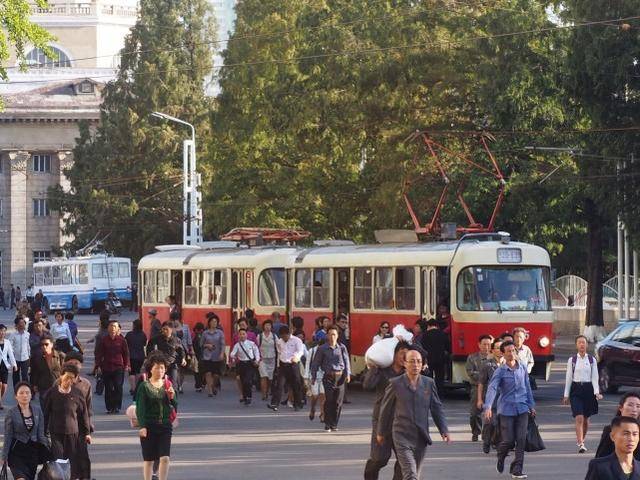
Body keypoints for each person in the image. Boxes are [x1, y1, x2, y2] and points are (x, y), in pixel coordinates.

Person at [376, 348, 451, 480]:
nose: (415, 365)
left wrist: (443, 429)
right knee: (410, 473)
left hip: (421, 437)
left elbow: (436, 408)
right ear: (405, 363)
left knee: (414, 472)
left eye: (418, 362)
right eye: (412, 361)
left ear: (422, 364)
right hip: (401, 435)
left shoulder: (429, 383)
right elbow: (385, 409)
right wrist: (380, 432)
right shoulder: (395, 383)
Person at [483, 340, 536, 480]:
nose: (512, 353)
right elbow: (492, 388)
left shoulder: (523, 367)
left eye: (513, 351)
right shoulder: (500, 371)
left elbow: (527, 387)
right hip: (506, 409)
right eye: (508, 351)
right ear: (503, 354)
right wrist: (488, 406)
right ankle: (500, 457)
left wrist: (531, 405)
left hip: (523, 408)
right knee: (508, 440)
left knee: (521, 439)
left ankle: (517, 470)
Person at [363, 341, 409, 480]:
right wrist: (374, 369)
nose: (405, 357)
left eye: (407, 354)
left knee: (404, 460)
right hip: (382, 420)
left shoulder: (408, 372)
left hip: (402, 422)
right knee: (379, 459)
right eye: (402, 353)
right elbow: (367, 385)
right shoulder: (382, 371)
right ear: (393, 354)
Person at [42, 363, 91, 480]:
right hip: (56, 433)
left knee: (72, 461)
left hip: (73, 432)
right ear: (61, 376)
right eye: (67, 377)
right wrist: (43, 433)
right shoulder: (52, 393)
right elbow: (46, 414)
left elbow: (84, 414)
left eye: (72, 378)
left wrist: (87, 432)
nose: (69, 381)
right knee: (59, 460)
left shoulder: (77, 394)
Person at [136, 353, 177, 480]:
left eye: (162, 368)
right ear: (151, 369)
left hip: (165, 425)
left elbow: (175, 405)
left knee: (165, 457)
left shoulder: (168, 384)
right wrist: (142, 426)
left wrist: (172, 397)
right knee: (149, 460)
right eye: (157, 367)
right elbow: (140, 408)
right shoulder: (144, 386)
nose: (160, 370)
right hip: (149, 425)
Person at [562, 334, 602, 453]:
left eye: (583, 342)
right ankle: (580, 442)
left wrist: (596, 392)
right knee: (579, 417)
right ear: (576, 345)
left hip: (589, 390)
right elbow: (568, 377)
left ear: (587, 345)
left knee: (586, 419)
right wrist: (566, 395)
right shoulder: (572, 360)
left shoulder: (592, 360)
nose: (581, 344)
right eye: (579, 342)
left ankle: (582, 439)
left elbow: (595, 377)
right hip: (576, 390)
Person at [2, 382, 50, 480]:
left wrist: (48, 451)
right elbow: (8, 436)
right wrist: (4, 456)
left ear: (31, 395)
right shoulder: (11, 413)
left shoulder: (37, 411)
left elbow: (40, 435)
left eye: (27, 393)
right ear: (16, 396)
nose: (25, 395)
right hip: (16, 453)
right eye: (21, 393)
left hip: (32, 453)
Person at [59, 351, 93, 479]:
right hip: (64, 427)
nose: (74, 365)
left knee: (83, 457)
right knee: (67, 457)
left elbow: (88, 408)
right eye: (71, 362)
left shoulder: (85, 384)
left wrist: (88, 430)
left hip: (81, 427)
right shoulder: (58, 383)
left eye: (77, 363)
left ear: (81, 366)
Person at [310, 325, 350, 431]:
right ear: (327, 335)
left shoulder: (342, 347)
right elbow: (315, 363)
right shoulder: (322, 349)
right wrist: (313, 377)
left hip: (340, 377)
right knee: (329, 400)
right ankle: (327, 423)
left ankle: (334, 424)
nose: (332, 337)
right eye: (330, 334)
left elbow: (346, 362)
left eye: (334, 334)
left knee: (338, 402)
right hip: (328, 377)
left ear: (337, 336)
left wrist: (348, 374)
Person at [95, 320, 130, 413]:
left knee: (118, 387)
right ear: (108, 328)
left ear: (118, 328)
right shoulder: (104, 340)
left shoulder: (122, 340)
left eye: (115, 326)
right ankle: (110, 407)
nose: (113, 328)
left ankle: (117, 406)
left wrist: (127, 365)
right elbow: (99, 354)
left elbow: (126, 354)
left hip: (118, 367)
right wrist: (98, 366)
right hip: (106, 367)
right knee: (109, 388)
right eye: (111, 326)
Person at [268, 325, 305, 412]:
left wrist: (296, 357)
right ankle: (275, 404)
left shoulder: (297, 340)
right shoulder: (279, 342)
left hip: (293, 364)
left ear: (289, 334)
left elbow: (300, 351)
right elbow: (279, 353)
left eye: (285, 336)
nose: (284, 338)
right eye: (282, 336)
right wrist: (278, 366)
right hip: (283, 364)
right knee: (279, 384)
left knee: (296, 384)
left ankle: (298, 404)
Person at [477, 338, 504, 454]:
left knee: (501, 423)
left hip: (504, 399)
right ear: (492, 351)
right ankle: (487, 441)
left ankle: (498, 444)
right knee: (490, 422)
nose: (500, 350)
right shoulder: (487, 365)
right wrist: (479, 399)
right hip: (491, 398)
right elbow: (481, 383)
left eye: (501, 348)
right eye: (497, 348)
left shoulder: (508, 364)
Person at [596, 392, 640, 460]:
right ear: (621, 407)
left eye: (638, 406)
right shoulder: (610, 429)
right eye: (630, 405)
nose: (634, 410)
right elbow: (600, 457)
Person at [466, 334, 492, 441]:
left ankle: (488, 434)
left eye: (489, 344)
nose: (486, 347)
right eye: (484, 344)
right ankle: (476, 431)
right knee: (474, 413)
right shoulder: (472, 358)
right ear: (479, 345)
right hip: (476, 388)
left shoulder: (493, 358)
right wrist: (484, 376)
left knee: (491, 413)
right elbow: (470, 372)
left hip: (491, 388)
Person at [146, 321, 185, 391]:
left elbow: (181, 350)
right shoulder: (157, 339)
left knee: (173, 385)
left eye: (166, 329)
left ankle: (173, 400)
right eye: (163, 329)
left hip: (173, 364)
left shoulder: (176, 340)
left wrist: (183, 359)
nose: (164, 331)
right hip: (161, 364)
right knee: (160, 385)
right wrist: (150, 357)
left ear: (171, 329)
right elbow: (149, 347)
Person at [230, 328, 261, 405]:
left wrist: (257, 360)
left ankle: (249, 397)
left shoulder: (251, 343)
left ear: (246, 335)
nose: (242, 336)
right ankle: (244, 396)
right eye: (240, 334)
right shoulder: (237, 345)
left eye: (243, 334)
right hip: (241, 364)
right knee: (243, 381)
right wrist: (233, 357)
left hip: (250, 364)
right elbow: (232, 353)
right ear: (238, 336)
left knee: (248, 381)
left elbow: (256, 352)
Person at [420, 319, 449, 393]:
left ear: (429, 326)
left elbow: (423, 347)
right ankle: (439, 393)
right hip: (440, 359)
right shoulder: (443, 334)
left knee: (428, 377)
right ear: (437, 326)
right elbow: (447, 346)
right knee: (439, 378)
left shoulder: (425, 334)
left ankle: (429, 392)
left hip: (429, 359)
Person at [200, 314, 225, 397]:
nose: (214, 323)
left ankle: (213, 386)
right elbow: (201, 344)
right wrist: (207, 345)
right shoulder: (205, 333)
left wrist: (222, 353)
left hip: (217, 356)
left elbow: (223, 344)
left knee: (216, 375)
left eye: (216, 321)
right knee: (208, 373)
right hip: (207, 356)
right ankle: (210, 391)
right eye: (212, 321)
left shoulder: (220, 333)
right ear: (209, 323)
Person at [304, 339, 326, 422]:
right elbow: (308, 363)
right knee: (315, 395)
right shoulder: (312, 351)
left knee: (323, 395)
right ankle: (313, 408)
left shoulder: (327, 350)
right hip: (314, 376)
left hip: (324, 376)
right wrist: (306, 377)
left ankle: (323, 413)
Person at [257, 319, 278, 401]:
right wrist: (258, 357)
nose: (267, 327)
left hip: (272, 359)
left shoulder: (274, 336)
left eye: (269, 325)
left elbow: (278, 347)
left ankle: (267, 390)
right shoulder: (260, 336)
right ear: (263, 327)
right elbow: (256, 347)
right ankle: (264, 394)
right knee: (263, 376)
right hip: (262, 359)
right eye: (266, 325)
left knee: (270, 378)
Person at [126, 319, 148, 395]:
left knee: (131, 372)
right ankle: (137, 387)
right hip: (140, 356)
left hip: (131, 355)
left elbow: (126, 345)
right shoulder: (143, 334)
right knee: (138, 371)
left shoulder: (129, 334)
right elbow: (145, 344)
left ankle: (133, 388)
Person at [9, 316, 30, 389]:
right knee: (15, 375)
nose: (22, 324)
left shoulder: (27, 334)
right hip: (16, 359)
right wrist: (13, 353)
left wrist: (29, 355)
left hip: (25, 358)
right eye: (20, 323)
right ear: (17, 325)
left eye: (23, 323)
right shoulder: (13, 335)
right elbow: (10, 346)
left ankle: (27, 390)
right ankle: (17, 390)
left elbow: (28, 346)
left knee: (25, 375)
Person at [0, 324, 17, 409]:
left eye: (3, 331)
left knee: (4, 386)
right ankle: (0, 403)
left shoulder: (7, 342)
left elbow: (11, 354)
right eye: (0, 331)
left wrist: (14, 364)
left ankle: (0, 399)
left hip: (5, 366)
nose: (2, 333)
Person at [192, 322, 205, 392]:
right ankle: (201, 383)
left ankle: (198, 384)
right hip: (202, 355)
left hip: (196, 355)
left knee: (196, 371)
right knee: (201, 370)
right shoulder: (202, 336)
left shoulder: (194, 335)